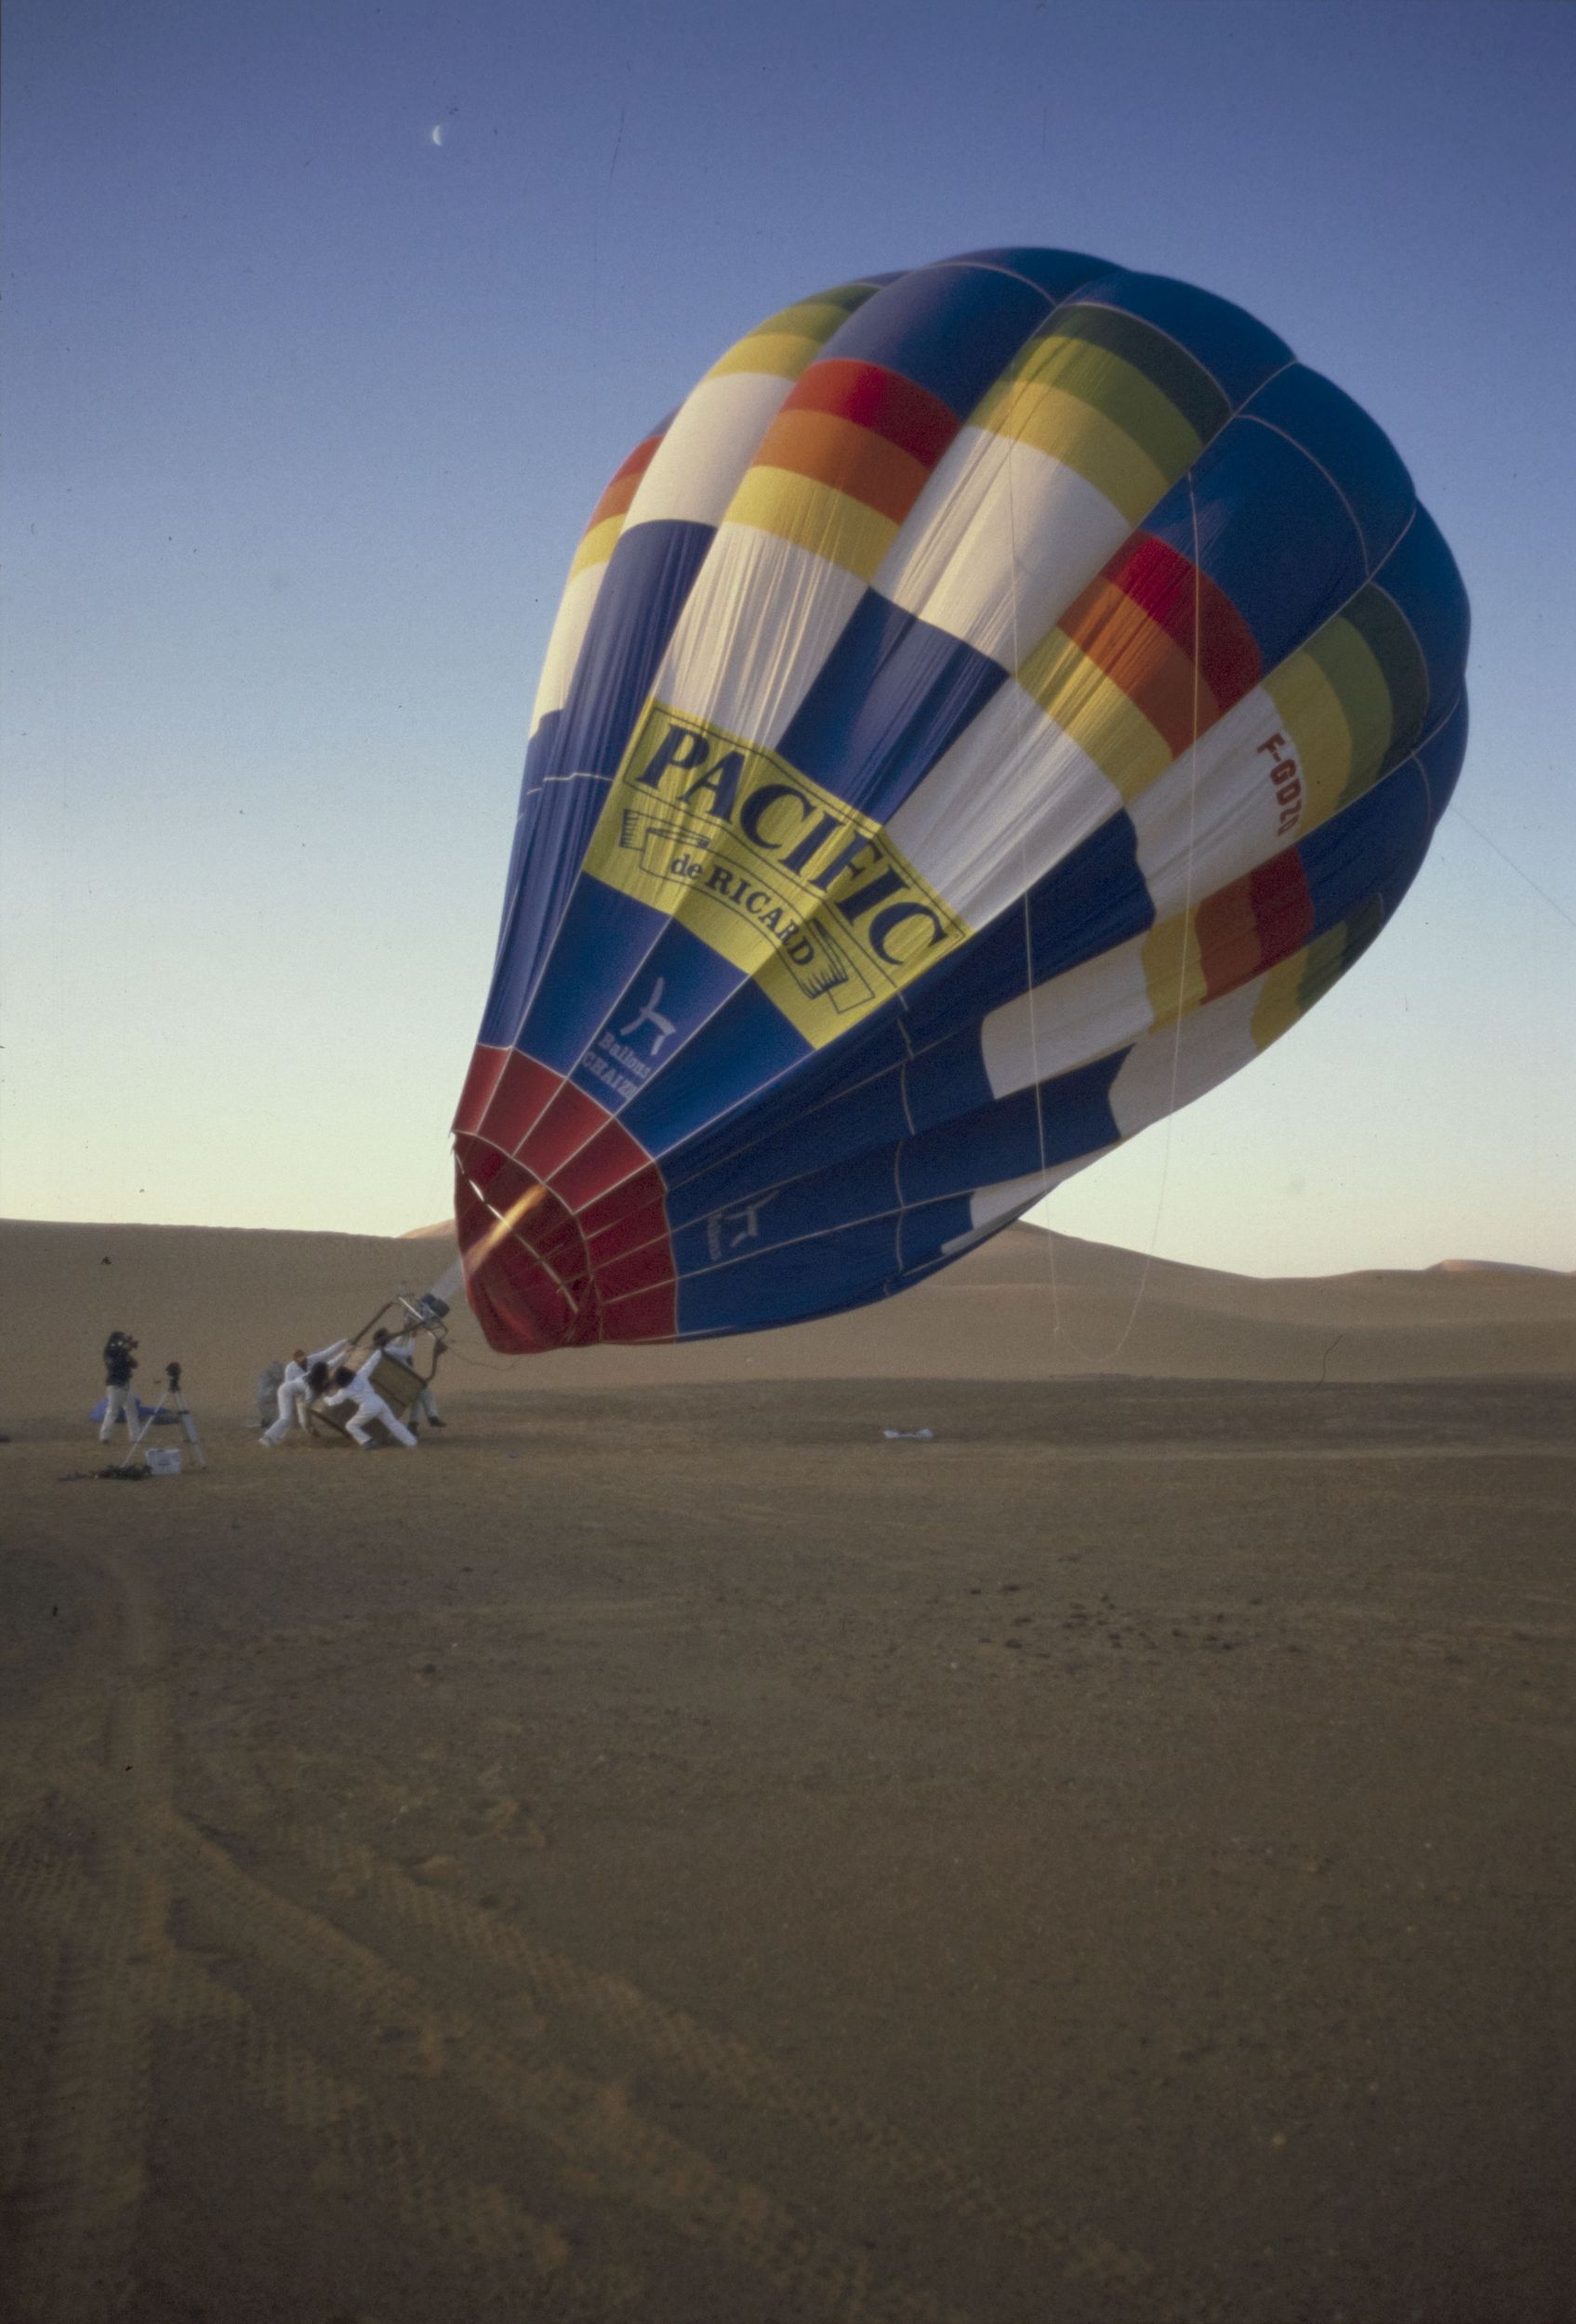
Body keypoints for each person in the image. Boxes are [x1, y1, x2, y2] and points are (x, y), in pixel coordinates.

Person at [258, 1337, 351, 1447]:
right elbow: (308, 1402)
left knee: (288, 1418)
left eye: (305, 1358)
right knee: (288, 1418)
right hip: (289, 1394)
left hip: (297, 1392)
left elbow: (331, 1362)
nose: (305, 1361)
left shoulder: (314, 1372)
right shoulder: (307, 1383)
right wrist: (326, 1396)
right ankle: (267, 1437)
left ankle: (276, 1438)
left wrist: (345, 1351)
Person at [323, 1353, 418, 1449]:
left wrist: (325, 1397)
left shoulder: (344, 1391)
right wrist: (379, 1351)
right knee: (393, 1423)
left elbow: (333, 1402)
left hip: (368, 1407)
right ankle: (411, 1442)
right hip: (379, 1401)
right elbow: (371, 1363)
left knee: (350, 1425)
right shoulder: (361, 1375)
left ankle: (366, 1441)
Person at [386, 1327, 445, 1430]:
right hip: (401, 1379)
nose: (392, 1336)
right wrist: (411, 1337)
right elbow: (407, 1351)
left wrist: (408, 1333)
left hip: (404, 1376)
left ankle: (414, 1424)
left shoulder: (389, 1347)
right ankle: (432, 1417)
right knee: (425, 1390)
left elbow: (400, 1340)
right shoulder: (389, 1350)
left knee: (417, 1397)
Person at [99, 1330, 139, 1443]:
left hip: (126, 1384)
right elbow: (113, 1366)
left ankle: (135, 1437)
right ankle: (104, 1436)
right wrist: (123, 1353)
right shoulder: (109, 1352)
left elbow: (135, 1365)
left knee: (131, 1410)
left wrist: (127, 1354)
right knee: (112, 1411)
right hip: (115, 1386)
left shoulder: (122, 1353)